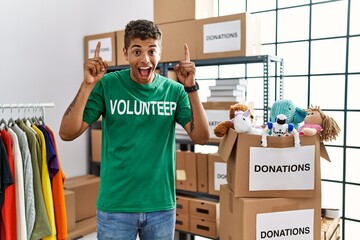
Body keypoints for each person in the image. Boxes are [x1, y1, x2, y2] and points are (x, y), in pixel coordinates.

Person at [59, 19, 209, 240]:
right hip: (115, 206)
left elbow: (202, 137)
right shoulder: (108, 84)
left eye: (151, 51)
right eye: (137, 51)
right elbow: (67, 133)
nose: (145, 59)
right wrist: (87, 86)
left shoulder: (175, 91)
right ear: (126, 53)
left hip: (160, 206)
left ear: (160, 52)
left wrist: (191, 88)